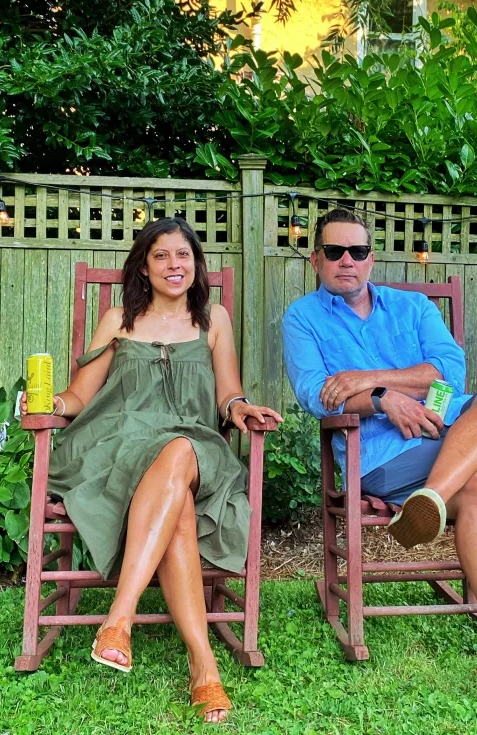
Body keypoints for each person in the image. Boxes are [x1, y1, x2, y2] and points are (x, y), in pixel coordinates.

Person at [282, 208, 477, 722]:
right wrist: (382, 401)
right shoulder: (302, 318)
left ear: (372, 258)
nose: (346, 261)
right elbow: (317, 396)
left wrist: (365, 378)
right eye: (334, 252)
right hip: (380, 456)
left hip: (451, 428)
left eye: (357, 251)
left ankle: (434, 498)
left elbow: (449, 372)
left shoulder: (413, 307)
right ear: (316, 260)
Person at [20, 217, 281, 724]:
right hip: (118, 444)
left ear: (196, 264)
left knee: (180, 450)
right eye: (160, 256)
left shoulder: (214, 321)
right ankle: (203, 668)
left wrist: (242, 409)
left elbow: (228, 391)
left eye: (182, 255)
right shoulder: (119, 319)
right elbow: (79, 395)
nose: (173, 265)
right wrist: (50, 401)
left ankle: (119, 619)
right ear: (143, 266)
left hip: (194, 446)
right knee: (176, 499)